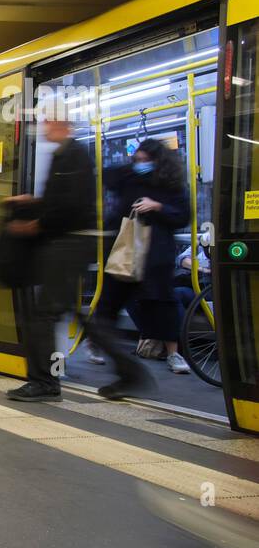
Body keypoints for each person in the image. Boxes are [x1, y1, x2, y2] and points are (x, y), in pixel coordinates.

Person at [83, 138, 191, 392]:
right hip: (125, 250)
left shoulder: (171, 186)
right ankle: (102, 348)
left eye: (146, 161)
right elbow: (109, 177)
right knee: (109, 304)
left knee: (163, 304)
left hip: (154, 256)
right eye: (137, 160)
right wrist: (132, 169)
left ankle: (170, 354)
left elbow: (183, 216)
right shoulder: (129, 178)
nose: (141, 165)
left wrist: (158, 206)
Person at [3, 112, 96, 402]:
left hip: (69, 246)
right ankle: (126, 370)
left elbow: (72, 205)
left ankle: (43, 382)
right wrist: (32, 202)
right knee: (58, 311)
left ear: (63, 125)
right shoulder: (63, 156)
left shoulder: (75, 155)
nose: (44, 128)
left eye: (49, 123)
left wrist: (36, 224)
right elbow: (60, 202)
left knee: (42, 315)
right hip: (64, 246)